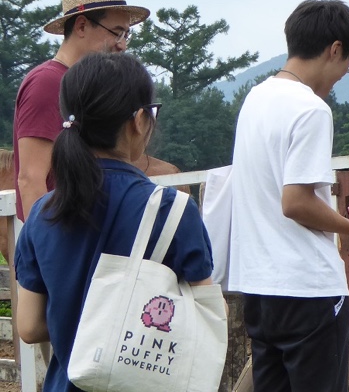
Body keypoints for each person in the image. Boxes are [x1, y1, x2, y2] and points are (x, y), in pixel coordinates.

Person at [13, 53, 215, 391]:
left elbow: (30, 327)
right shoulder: (173, 210)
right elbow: (207, 312)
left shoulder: (43, 212)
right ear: (138, 119)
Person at [229, 0, 349, 391]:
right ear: (335, 49)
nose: (341, 76)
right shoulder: (311, 109)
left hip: (260, 288)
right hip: (307, 288)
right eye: (347, 63)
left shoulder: (255, 99)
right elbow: (296, 202)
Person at [14, 0, 150, 221]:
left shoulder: (87, 85)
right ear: (81, 26)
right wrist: (46, 248)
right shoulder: (47, 83)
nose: (122, 46)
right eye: (116, 33)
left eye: (127, 35)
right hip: (63, 241)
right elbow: (30, 179)